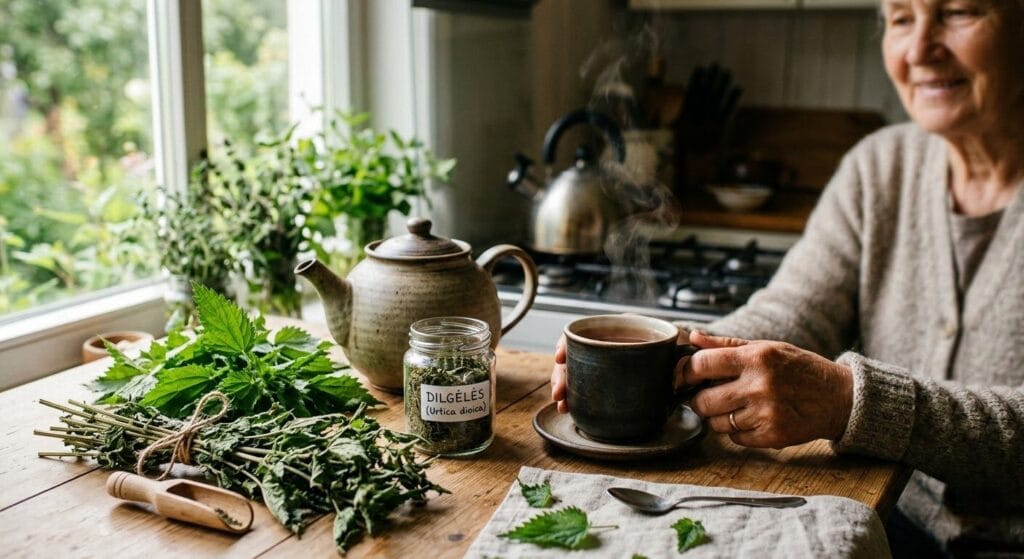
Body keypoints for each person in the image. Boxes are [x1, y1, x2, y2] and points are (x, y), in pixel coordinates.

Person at [550, 0, 1024, 555]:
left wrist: (850, 402)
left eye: (959, 12)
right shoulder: (881, 167)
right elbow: (797, 309)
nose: (918, 50)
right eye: (900, 18)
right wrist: (676, 352)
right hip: (892, 526)